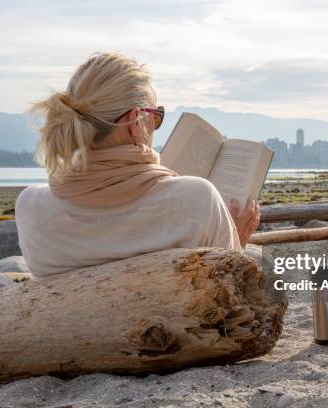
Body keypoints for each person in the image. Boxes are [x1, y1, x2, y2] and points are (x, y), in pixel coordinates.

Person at [15, 52, 260, 277]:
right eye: (156, 116)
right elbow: (233, 292)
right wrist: (235, 245)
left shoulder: (32, 208)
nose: (155, 126)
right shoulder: (197, 201)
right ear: (135, 121)